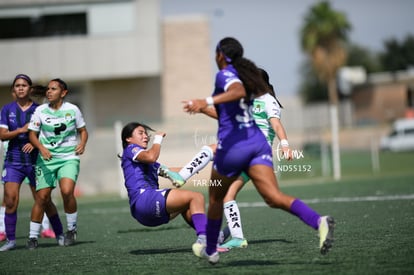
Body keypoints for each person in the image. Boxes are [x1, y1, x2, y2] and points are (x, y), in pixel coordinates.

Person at [183, 37, 335, 264]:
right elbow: (229, 110)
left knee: (216, 198)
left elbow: (236, 92)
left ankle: (211, 249)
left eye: (215, 53)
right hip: (257, 144)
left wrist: (204, 99)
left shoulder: (227, 75)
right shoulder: (248, 76)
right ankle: (319, 221)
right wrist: (204, 108)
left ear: (221, 56)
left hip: (234, 146)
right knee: (273, 198)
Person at [119, 122, 213, 248]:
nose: (145, 136)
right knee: (196, 197)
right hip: (145, 200)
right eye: (140, 133)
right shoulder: (131, 149)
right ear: (128, 139)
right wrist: (158, 139)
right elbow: (151, 156)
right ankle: (206, 240)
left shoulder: (145, 161)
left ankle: (210, 236)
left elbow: (172, 171)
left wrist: (198, 165)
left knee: (186, 203)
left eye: (146, 134)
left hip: (145, 215)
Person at [0, 74, 61, 251]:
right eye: (17, 85)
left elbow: (48, 134)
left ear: (29, 89)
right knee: (10, 200)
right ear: (14, 89)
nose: (20, 88)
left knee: (44, 200)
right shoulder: (6, 110)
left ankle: (59, 234)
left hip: (36, 162)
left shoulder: (40, 110)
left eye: (24, 85)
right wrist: (21, 130)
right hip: (13, 161)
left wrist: (32, 142)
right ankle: (10, 240)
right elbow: (2, 135)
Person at [27, 78, 88, 249]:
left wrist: (82, 143)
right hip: (46, 159)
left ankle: (71, 229)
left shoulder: (73, 110)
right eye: (48, 89)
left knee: (67, 191)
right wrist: (41, 148)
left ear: (63, 93)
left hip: (69, 157)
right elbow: (32, 134)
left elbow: (82, 131)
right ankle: (32, 237)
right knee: (42, 198)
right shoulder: (40, 110)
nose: (49, 92)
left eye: (53, 89)